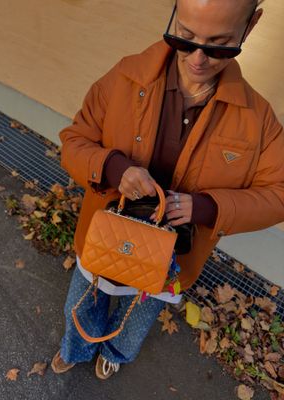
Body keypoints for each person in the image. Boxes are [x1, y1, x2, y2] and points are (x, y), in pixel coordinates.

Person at [51, 0, 284, 379]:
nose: (196, 58)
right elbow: (75, 141)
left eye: (218, 45)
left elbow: (279, 193)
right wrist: (113, 167)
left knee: (137, 321)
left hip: (171, 263)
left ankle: (115, 353)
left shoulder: (255, 119)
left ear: (250, 25)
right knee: (81, 303)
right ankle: (75, 348)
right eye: (185, 36)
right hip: (105, 237)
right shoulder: (127, 76)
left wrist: (206, 208)